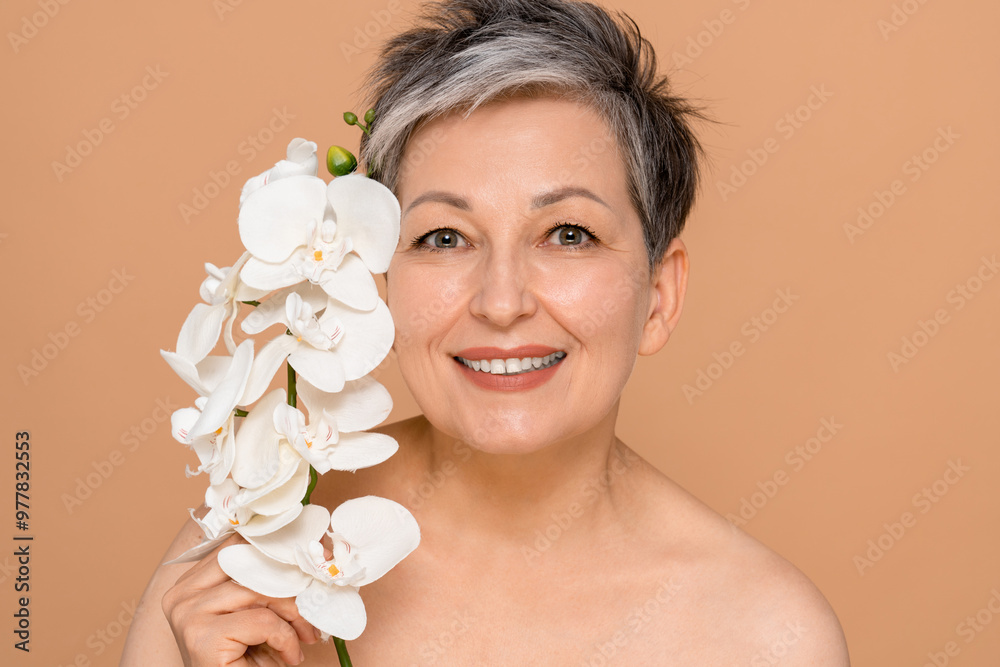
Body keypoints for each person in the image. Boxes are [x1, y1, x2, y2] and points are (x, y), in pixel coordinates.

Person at [123, 0, 851, 664]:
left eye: (568, 233)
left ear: (659, 295)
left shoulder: (767, 634)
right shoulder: (251, 559)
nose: (502, 302)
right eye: (444, 237)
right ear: (378, 281)